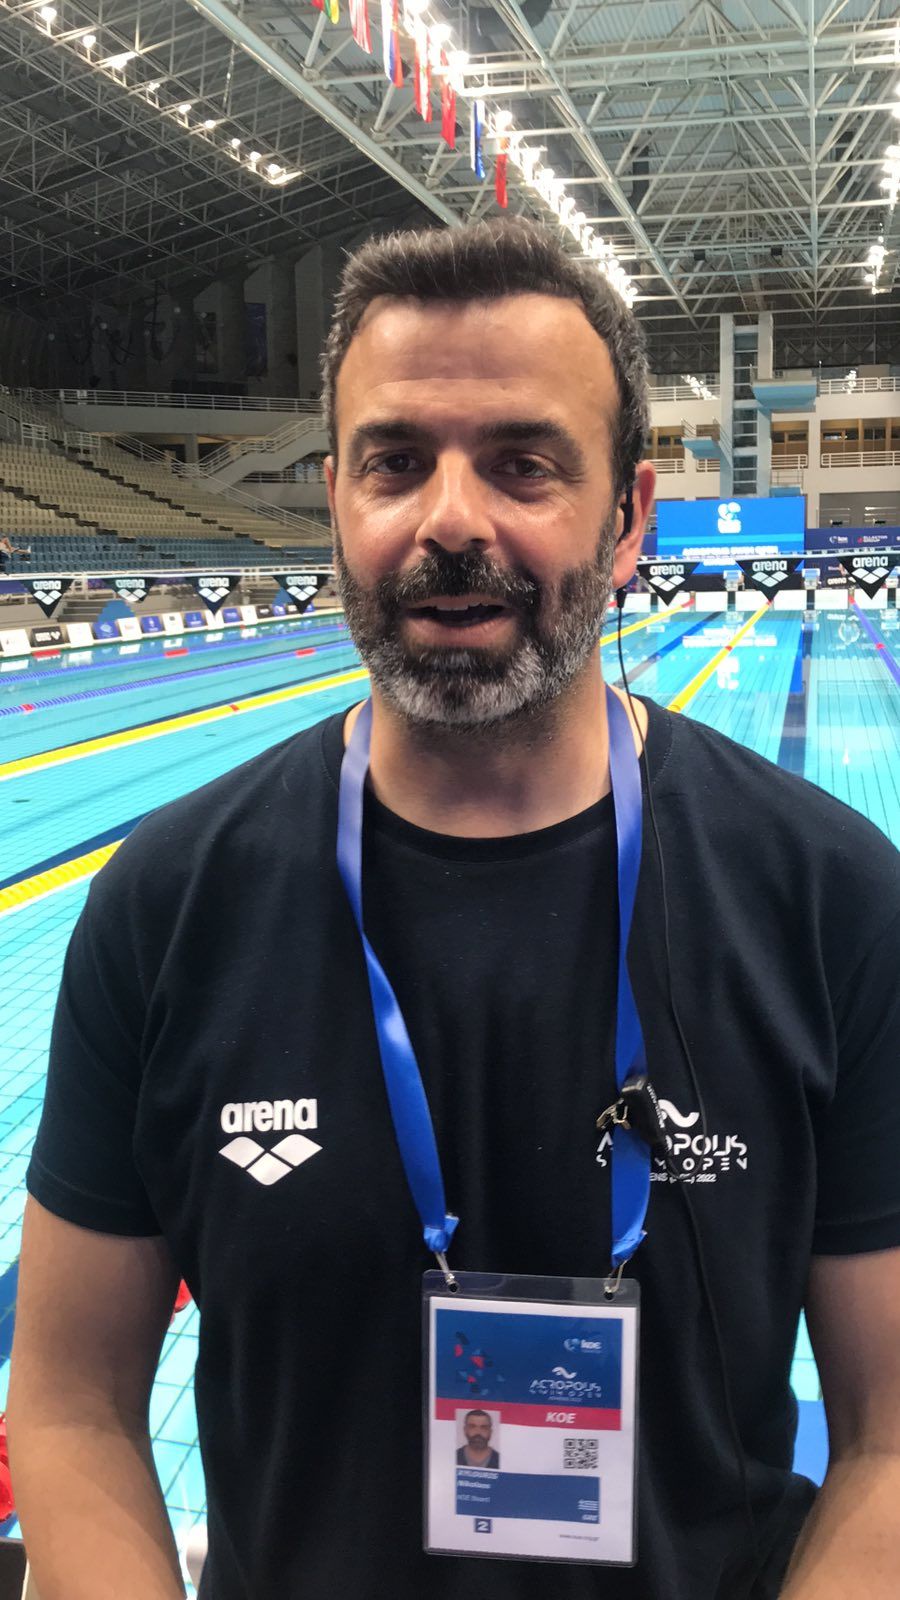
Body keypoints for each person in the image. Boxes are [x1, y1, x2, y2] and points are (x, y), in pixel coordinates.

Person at [8, 219, 900, 1600]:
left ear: (630, 515)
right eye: (396, 461)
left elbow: (888, 1437)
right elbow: (70, 1407)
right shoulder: (166, 907)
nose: (451, 520)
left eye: (523, 463)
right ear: (337, 501)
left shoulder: (830, 899)